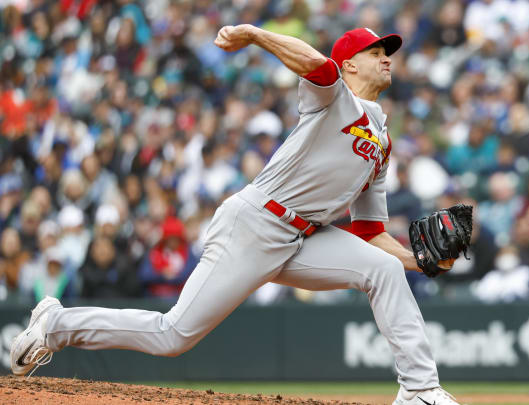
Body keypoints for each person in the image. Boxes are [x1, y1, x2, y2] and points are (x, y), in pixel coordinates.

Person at [11, 25, 460, 405]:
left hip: (303, 237)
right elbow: (316, 65)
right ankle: (55, 324)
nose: (386, 59)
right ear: (350, 66)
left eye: (387, 53)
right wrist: (253, 34)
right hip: (254, 224)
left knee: (383, 269)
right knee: (173, 336)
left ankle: (420, 390)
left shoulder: (381, 142)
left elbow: (369, 230)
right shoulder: (334, 98)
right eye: (375, 52)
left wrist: (419, 261)